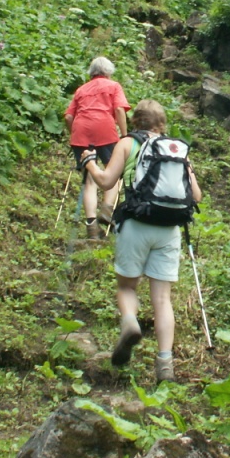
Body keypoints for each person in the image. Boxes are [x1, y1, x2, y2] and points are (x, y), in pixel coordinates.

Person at [79, 99, 202, 383]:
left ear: (135, 120)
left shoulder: (127, 143)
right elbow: (196, 196)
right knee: (162, 298)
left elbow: (106, 181)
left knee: (126, 286)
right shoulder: (176, 149)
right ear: (162, 123)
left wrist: (90, 163)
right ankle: (165, 365)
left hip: (136, 224)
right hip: (169, 229)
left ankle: (130, 324)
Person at [64, 57, 130, 239]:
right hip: (105, 130)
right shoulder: (113, 86)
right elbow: (119, 110)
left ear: (91, 72)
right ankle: (107, 210)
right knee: (114, 172)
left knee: (89, 180)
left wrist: (75, 134)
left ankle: (91, 226)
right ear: (108, 72)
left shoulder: (81, 89)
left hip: (81, 133)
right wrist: (125, 135)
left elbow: (68, 117)